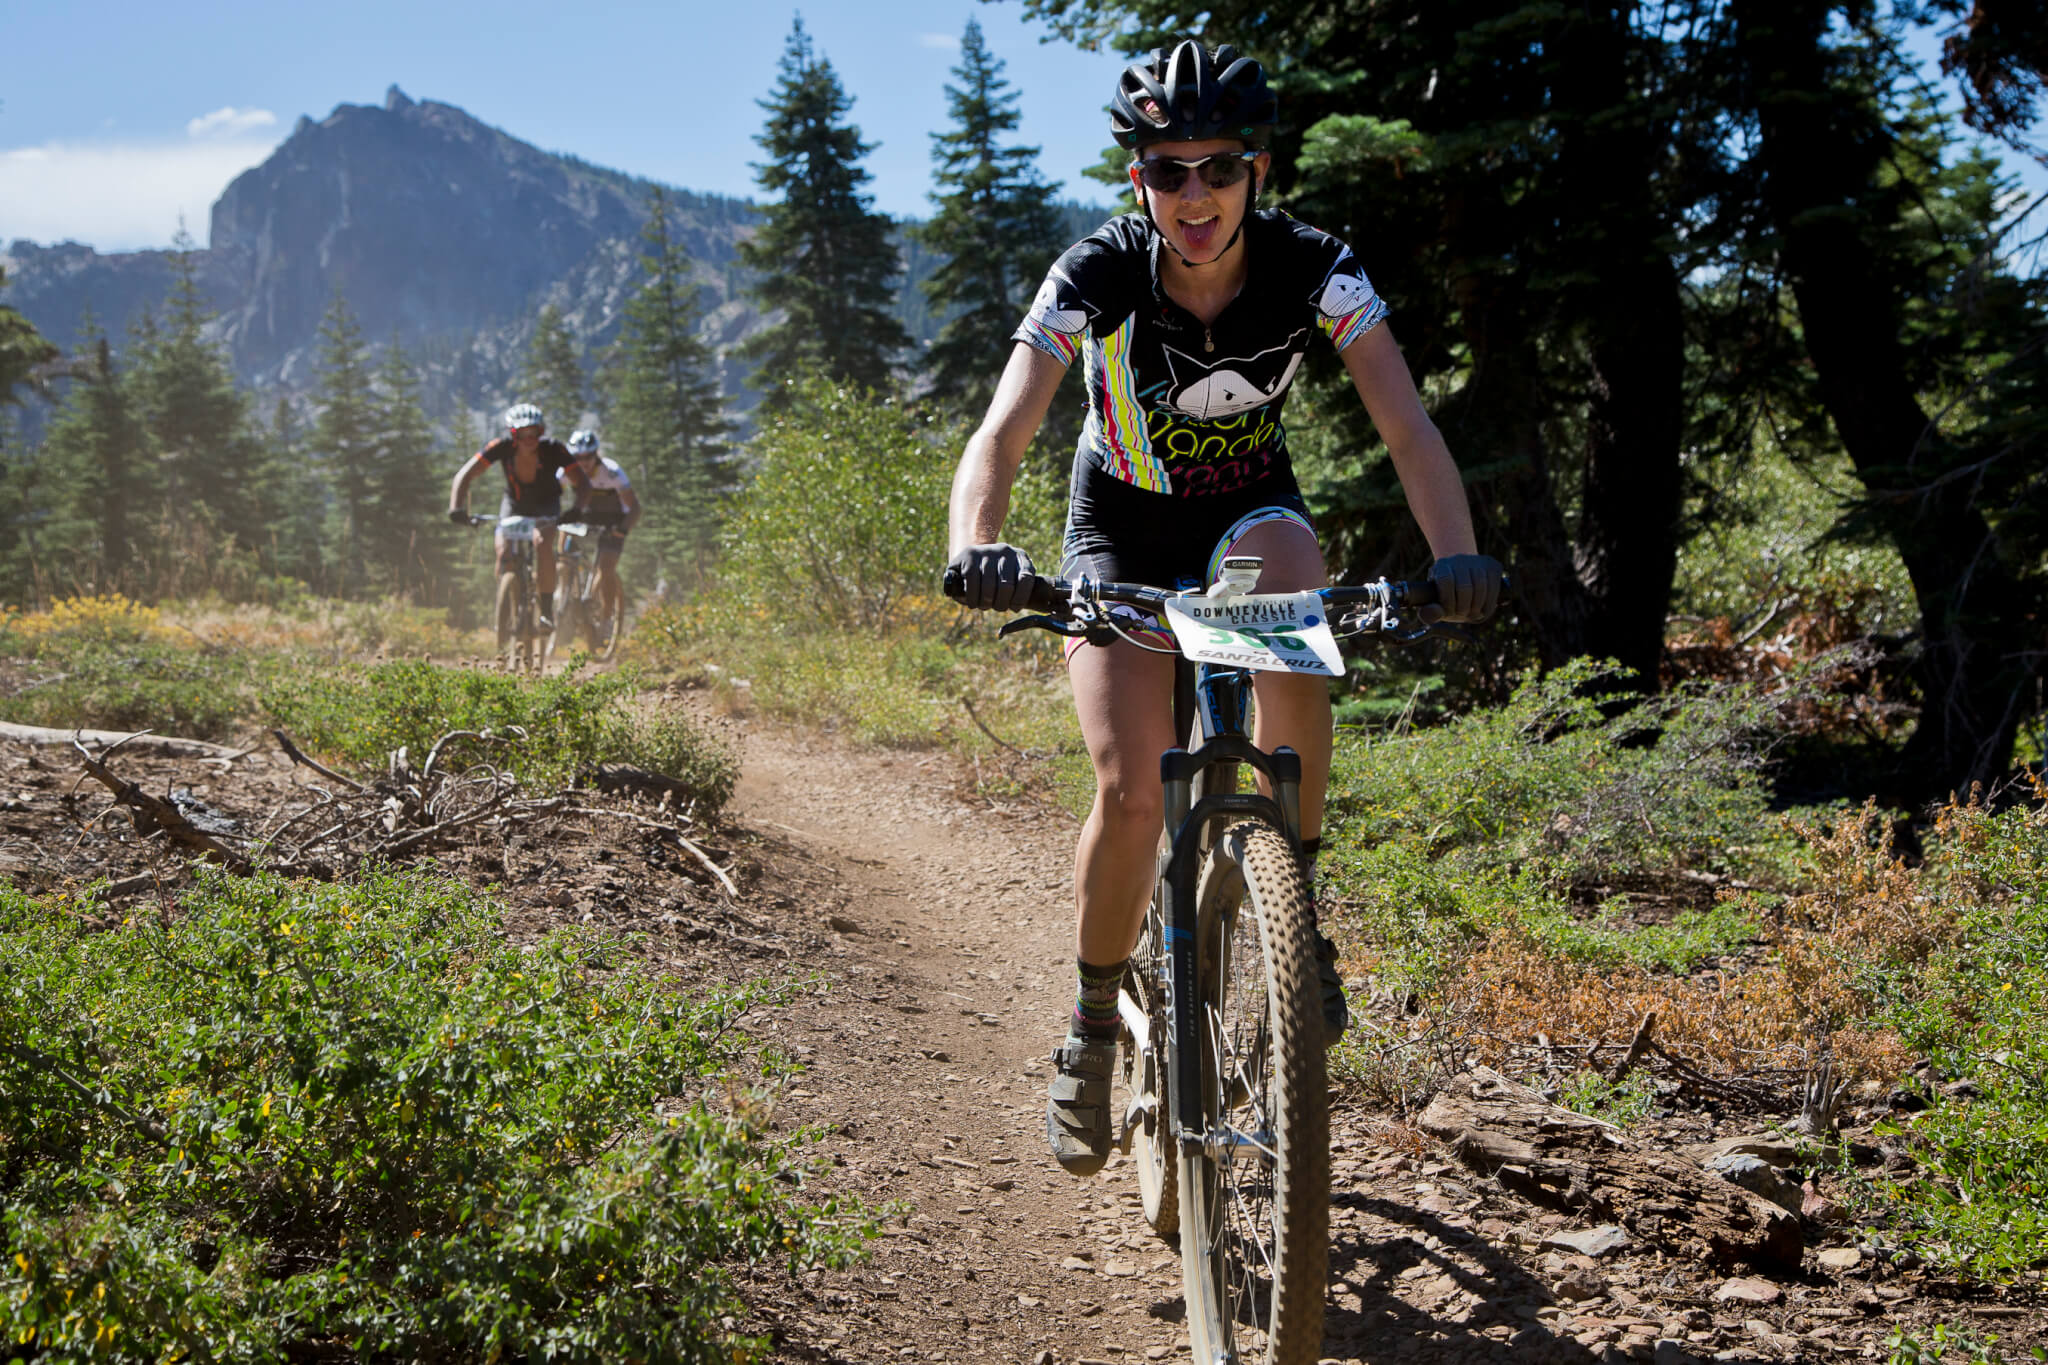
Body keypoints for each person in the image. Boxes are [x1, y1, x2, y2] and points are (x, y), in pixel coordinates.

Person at [941, 41, 1502, 1177]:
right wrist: (976, 544)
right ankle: (1094, 1028)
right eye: (1163, 171)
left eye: (1216, 168)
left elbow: (1406, 424)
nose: (1191, 195)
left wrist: (1457, 555)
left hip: (1247, 520)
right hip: (1120, 525)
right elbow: (1003, 429)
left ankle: (1294, 912)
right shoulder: (1095, 271)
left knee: (1295, 601)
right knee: (1129, 789)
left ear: (1257, 168)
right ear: (1134, 178)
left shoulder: (1314, 267)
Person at [448, 402, 574, 631]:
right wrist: (456, 508)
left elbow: (582, 482)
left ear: (541, 431)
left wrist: (576, 510)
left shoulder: (554, 449)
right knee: (503, 550)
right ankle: (507, 600)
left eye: (534, 432)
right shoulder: (501, 448)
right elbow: (464, 475)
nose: (529, 438)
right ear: (513, 435)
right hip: (514, 505)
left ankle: (546, 612)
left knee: (543, 545)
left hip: (546, 505)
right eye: (523, 433)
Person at [559, 428, 641, 632]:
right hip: (585, 518)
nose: (583, 461)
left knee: (606, 569)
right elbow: (551, 498)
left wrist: (622, 530)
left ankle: (606, 620)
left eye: (588, 457)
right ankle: (564, 593)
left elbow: (635, 508)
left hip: (614, 522)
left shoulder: (612, 472)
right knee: (562, 547)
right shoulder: (566, 472)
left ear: (595, 454)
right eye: (578, 457)